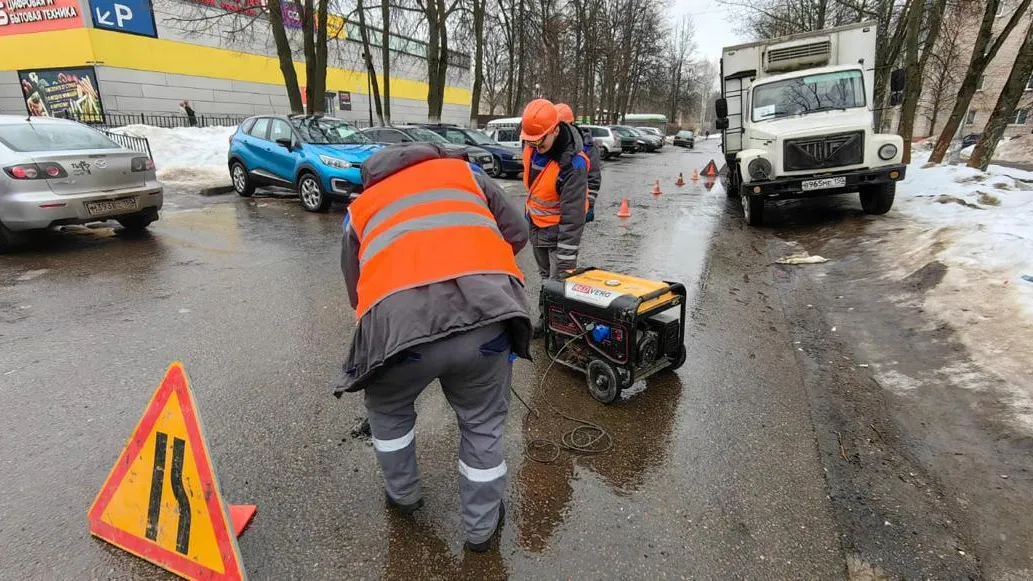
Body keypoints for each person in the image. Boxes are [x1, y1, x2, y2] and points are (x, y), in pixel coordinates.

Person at [334, 142, 532, 553]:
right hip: (486, 321)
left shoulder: (362, 208)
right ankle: (481, 529)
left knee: (388, 410)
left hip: (401, 334)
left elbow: (358, 292)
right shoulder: (468, 176)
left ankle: (403, 496)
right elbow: (517, 233)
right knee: (482, 423)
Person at [520, 98, 589, 287]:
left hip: (558, 236)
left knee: (558, 286)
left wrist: (566, 261)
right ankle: (546, 313)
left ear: (556, 130)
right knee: (545, 281)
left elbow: (573, 218)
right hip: (537, 229)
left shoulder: (573, 165)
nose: (536, 150)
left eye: (540, 144)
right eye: (531, 144)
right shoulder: (532, 147)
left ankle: (554, 315)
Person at [555, 103, 601, 223]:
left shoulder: (587, 147)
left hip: (578, 200)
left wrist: (589, 203)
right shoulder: (556, 145)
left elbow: (594, 177)